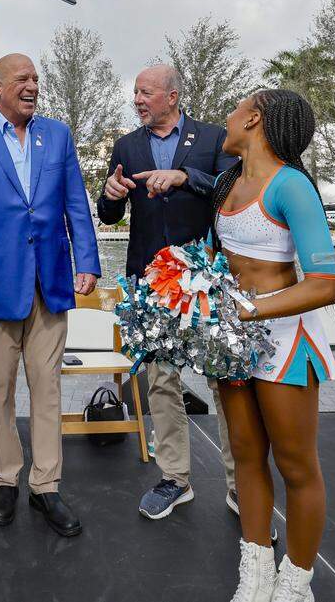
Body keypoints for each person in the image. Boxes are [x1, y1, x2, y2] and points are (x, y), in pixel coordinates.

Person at [0, 52, 100, 537]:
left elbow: (76, 202)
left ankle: (46, 485)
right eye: (22, 78)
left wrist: (87, 261)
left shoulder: (59, 135)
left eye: (36, 78)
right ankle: (5, 479)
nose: (32, 85)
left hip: (49, 285)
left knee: (48, 389)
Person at [97, 64, 240, 520]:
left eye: (146, 92)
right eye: (135, 92)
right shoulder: (127, 145)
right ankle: (176, 479)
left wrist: (185, 179)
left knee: (225, 384)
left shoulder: (215, 138)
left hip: (205, 279)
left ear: (173, 96)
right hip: (149, 283)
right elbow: (109, 216)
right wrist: (112, 193)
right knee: (161, 383)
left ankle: (242, 486)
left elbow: (232, 193)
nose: (137, 99)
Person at [212, 90, 335, 602]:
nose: (226, 116)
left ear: (254, 119)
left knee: (296, 466)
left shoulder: (293, 186)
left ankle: (294, 584)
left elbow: (325, 283)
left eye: (234, 108)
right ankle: (256, 577)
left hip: (284, 342)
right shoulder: (228, 182)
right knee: (245, 457)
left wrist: (252, 309)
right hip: (232, 343)